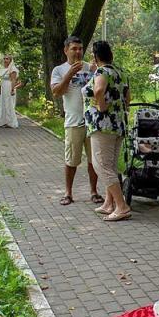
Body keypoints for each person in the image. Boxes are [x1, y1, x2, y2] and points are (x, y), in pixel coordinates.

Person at [50, 36, 102, 206]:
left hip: (92, 121)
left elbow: (99, 91)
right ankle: (68, 193)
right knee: (71, 160)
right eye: (74, 48)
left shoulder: (90, 67)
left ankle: (94, 192)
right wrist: (70, 73)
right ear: (66, 50)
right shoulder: (59, 70)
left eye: (80, 48)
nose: (78, 52)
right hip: (73, 122)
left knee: (93, 160)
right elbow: (57, 92)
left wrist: (96, 72)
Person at [84, 40, 132, 221]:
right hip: (118, 124)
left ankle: (121, 206)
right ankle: (108, 203)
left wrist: (101, 106)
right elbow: (128, 98)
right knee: (111, 165)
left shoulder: (102, 71)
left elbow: (98, 90)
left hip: (102, 125)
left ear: (96, 57)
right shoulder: (120, 71)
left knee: (101, 165)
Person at [0, 55, 22, 128]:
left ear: (10, 60)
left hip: (9, 86)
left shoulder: (12, 69)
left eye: (7, 59)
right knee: (3, 104)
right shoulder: (3, 68)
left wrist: (12, 89)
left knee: (9, 104)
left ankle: (10, 122)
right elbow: (1, 80)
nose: (5, 60)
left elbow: (13, 80)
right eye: (4, 58)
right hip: (3, 86)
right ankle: (4, 121)